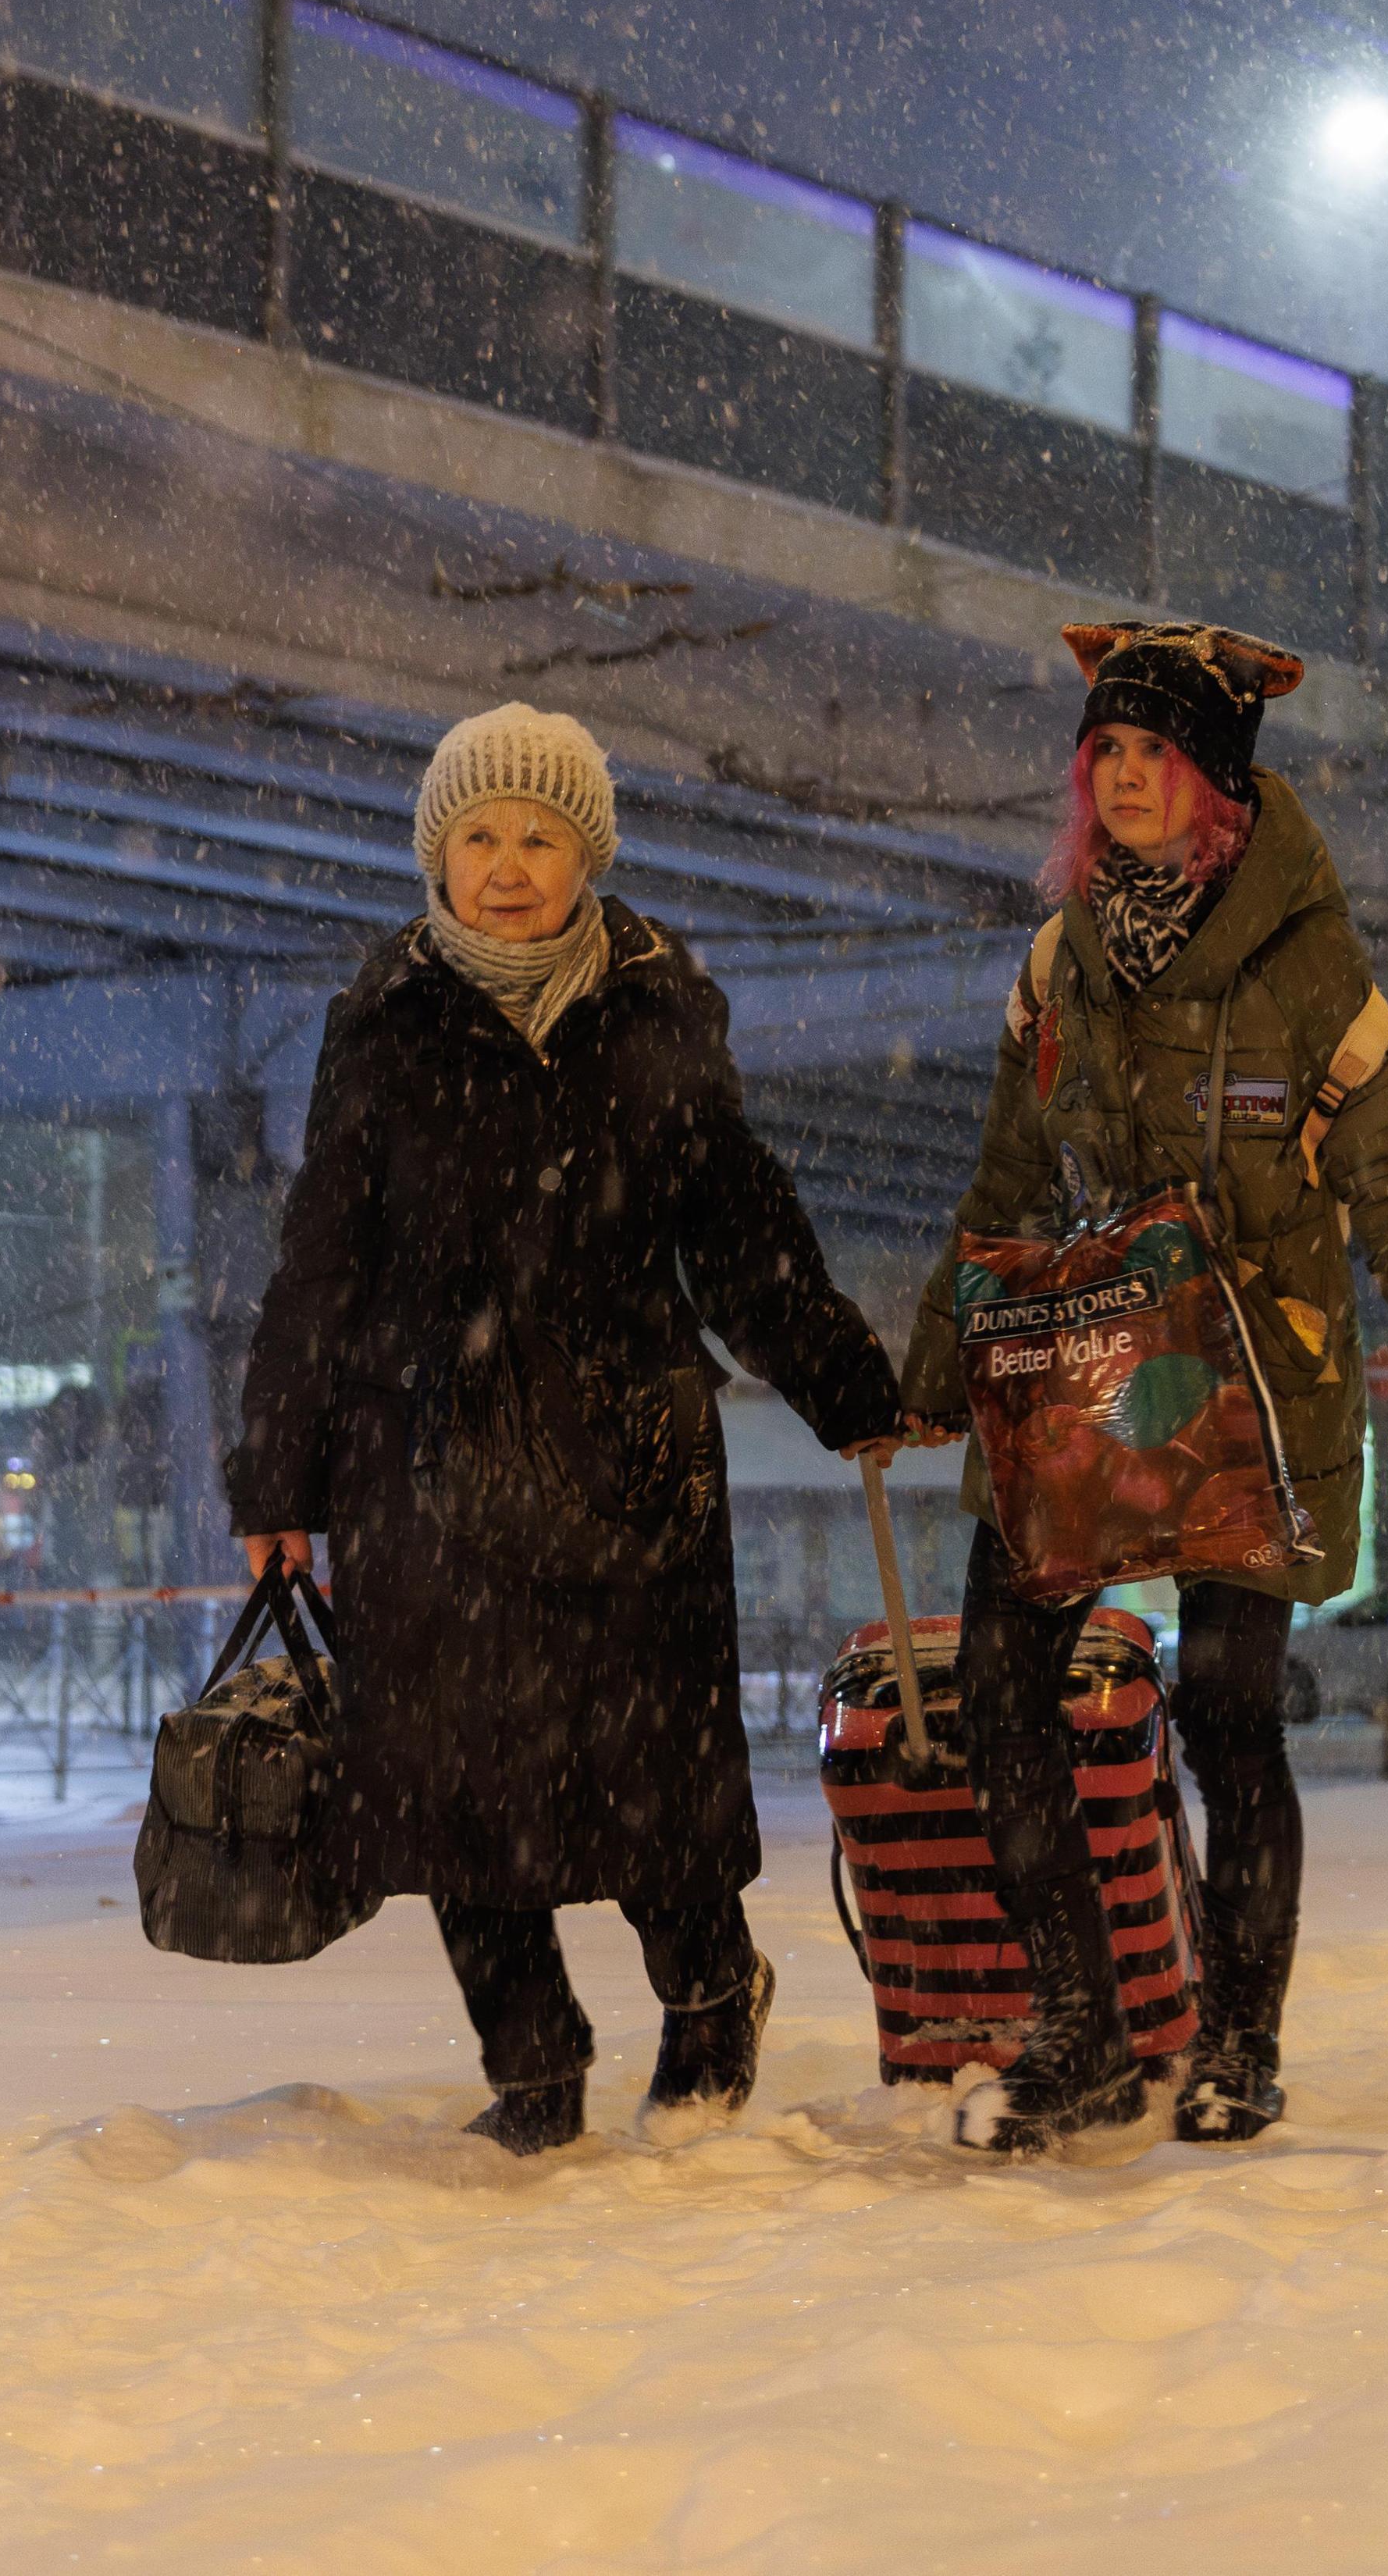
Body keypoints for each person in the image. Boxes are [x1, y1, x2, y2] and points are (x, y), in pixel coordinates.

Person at [228, 701, 905, 2157]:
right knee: (452, 1784)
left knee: (650, 1766)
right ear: (439, 854)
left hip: (626, 1451)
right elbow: (320, 1261)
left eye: (540, 835)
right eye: (480, 835)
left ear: (586, 853)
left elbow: (738, 1230)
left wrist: (841, 1378)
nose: (510, 864)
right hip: (420, 1459)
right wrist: (276, 1468)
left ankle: (713, 1998)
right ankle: (532, 2068)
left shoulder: (658, 1010)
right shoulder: (383, 1022)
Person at [895, 621, 1388, 2154]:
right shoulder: (1061, 963)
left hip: (1253, 1381)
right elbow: (1007, 1184)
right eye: (1103, 752)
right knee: (995, 1679)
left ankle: (1239, 2037)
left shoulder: (1311, 976)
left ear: (1214, 781)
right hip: (1082, 1375)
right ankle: (1082, 2029)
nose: (1122, 779)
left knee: (1229, 1706)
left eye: (1151, 754)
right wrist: (932, 1369)